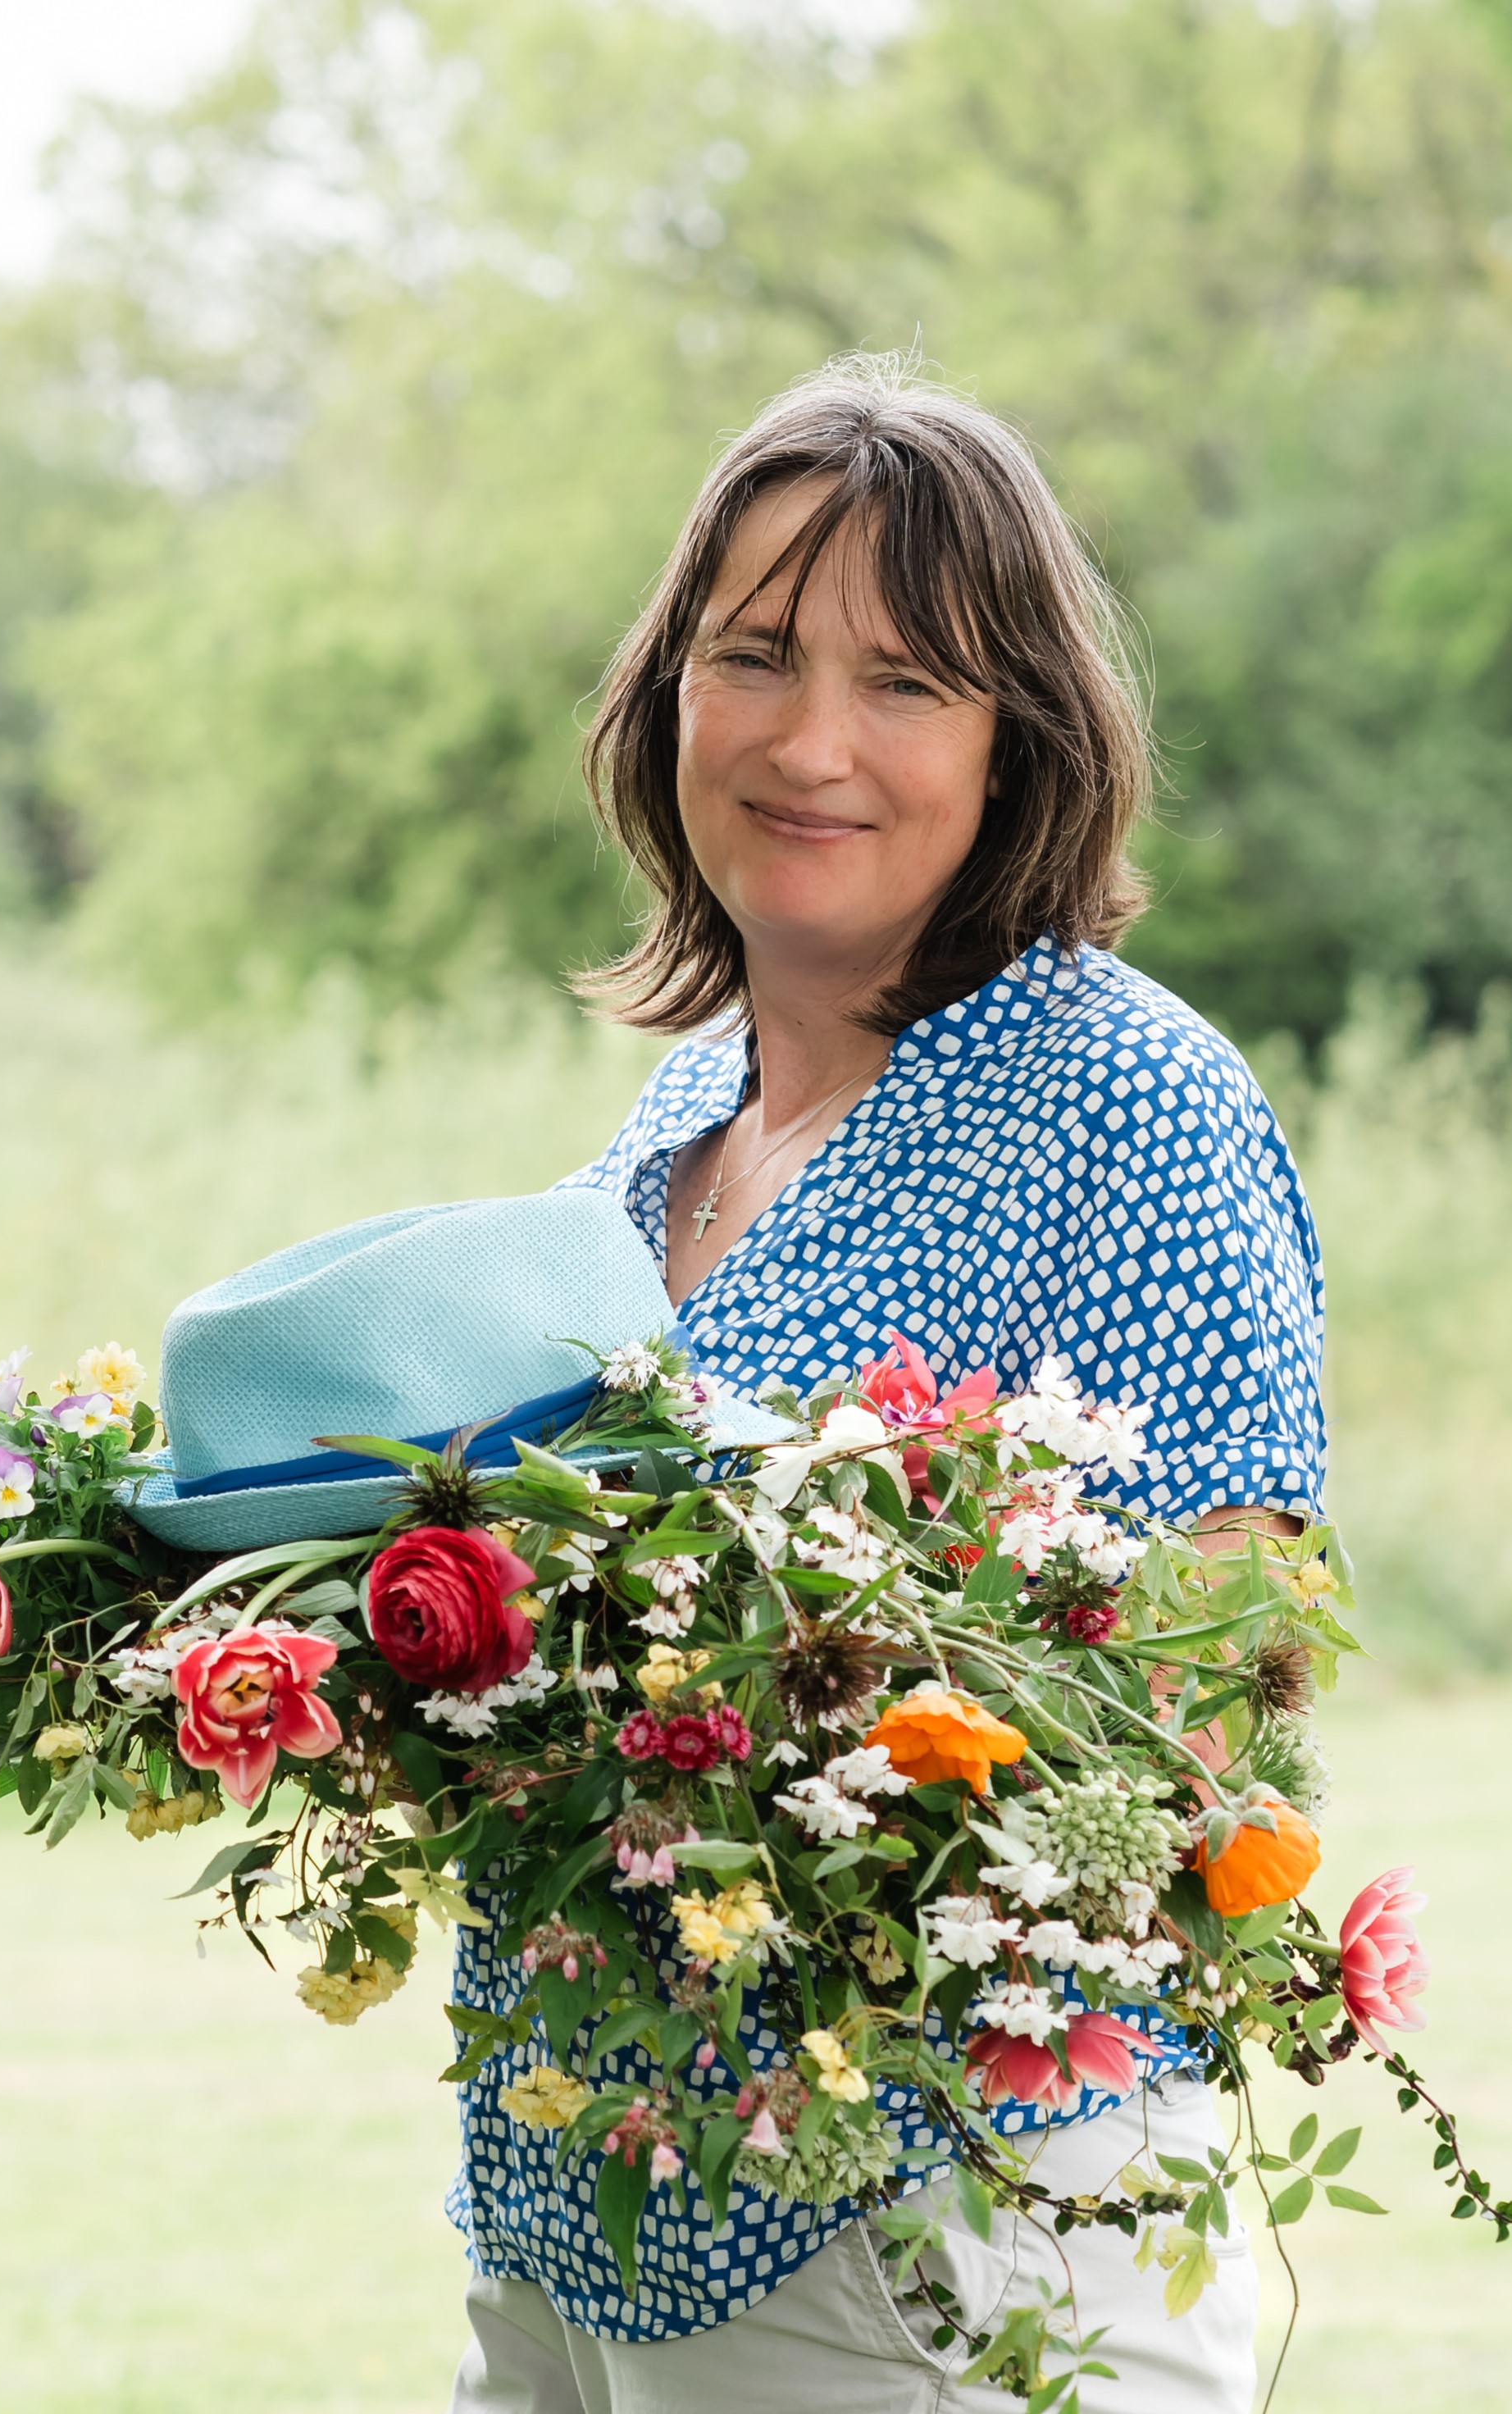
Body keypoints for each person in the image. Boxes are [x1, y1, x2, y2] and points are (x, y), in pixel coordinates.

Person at [446, 356, 1322, 2413]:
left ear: (1023, 739)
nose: (812, 738)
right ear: (667, 696)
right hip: (578, 2210)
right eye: (754, 654)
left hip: (926, 2221)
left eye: (910, 680)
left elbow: (1202, 1711)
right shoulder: (673, 1124)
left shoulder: (1125, 1099)